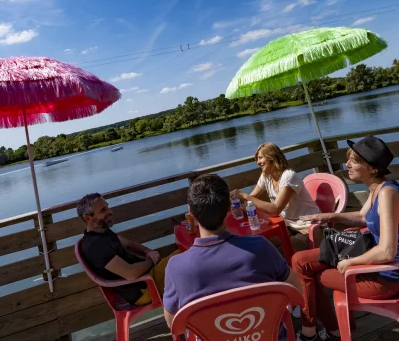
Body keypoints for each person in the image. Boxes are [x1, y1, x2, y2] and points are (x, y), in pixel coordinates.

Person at [292, 136, 399, 341]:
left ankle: (318, 333)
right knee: (300, 261)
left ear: (373, 168)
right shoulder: (379, 188)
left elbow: (387, 251)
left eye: (354, 161)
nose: (347, 165)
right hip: (374, 263)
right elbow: (361, 216)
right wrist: (329, 216)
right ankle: (326, 331)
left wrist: (351, 261)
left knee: (308, 274)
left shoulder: (387, 194)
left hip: (384, 279)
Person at [163, 173, 304, 333]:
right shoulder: (260, 248)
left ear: (191, 213)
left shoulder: (176, 267)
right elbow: (297, 292)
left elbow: (174, 324)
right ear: (230, 208)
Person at [77, 192, 178, 306]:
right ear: (88, 218)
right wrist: (151, 261)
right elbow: (131, 274)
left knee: (184, 256)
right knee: (186, 260)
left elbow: (129, 245)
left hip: (146, 278)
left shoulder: (102, 231)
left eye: (108, 207)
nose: (110, 211)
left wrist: (147, 252)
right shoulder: (95, 247)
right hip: (144, 288)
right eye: (103, 210)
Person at [231, 142, 321, 252]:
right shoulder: (266, 176)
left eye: (260, 158)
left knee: (275, 254)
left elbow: (275, 209)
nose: (258, 162)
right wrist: (237, 202)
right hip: (288, 227)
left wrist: (245, 196)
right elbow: (252, 197)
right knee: (262, 245)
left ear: (271, 157)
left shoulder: (288, 176)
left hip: (307, 229)